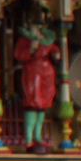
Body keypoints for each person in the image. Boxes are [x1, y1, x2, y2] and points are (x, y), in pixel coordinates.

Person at [13, 22, 60, 152]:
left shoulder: (48, 40)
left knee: (43, 106)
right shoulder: (25, 40)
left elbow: (54, 51)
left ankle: (38, 135)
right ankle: (28, 138)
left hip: (47, 73)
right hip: (33, 72)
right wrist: (32, 50)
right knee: (33, 102)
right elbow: (19, 55)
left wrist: (56, 54)